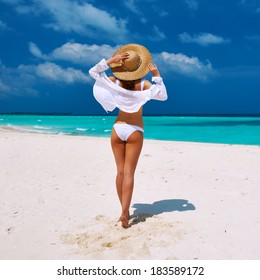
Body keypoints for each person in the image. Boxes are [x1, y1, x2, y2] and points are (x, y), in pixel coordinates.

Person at [89, 44, 167, 228]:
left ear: (121, 68)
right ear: (139, 68)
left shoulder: (113, 82)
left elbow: (93, 72)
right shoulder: (143, 85)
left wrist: (110, 61)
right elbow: (162, 96)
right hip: (135, 130)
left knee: (120, 172)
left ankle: (124, 211)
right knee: (130, 173)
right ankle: (125, 214)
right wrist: (156, 75)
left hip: (117, 128)